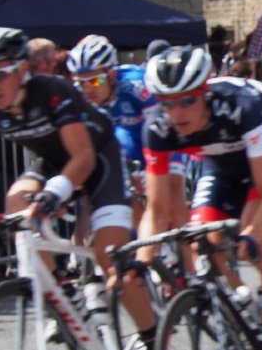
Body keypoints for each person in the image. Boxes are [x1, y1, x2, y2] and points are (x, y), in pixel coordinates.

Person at [0, 27, 154, 349]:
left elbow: (83, 158)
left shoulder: (53, 91)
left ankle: (153, 344)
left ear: (22, 70)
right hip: (52, 162)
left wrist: (55, 194)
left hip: (98, 158)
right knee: (16, 203)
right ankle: (64, 293)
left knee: (108, 257)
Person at [141, 46, 262, 350]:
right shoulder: (158, 128)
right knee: (201, 244)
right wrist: (142, 259)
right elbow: (157, 207)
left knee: (257, 246)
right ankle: (249, 308)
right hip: (220, 167)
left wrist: (252, 235)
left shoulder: (240, 107)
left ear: (204, 93)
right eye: (166, 103)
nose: (176, 113)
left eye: (186, 101)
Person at [66, 34, 189, 230]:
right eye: (81, 83)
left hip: (159, 136)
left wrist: (149, 171)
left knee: (173, 196)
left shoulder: (137, 86)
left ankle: (190, 256)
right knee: (109, 190)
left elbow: (161, 130)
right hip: (125, 141)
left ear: (112, 75)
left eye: (95, 80)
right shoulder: (79, 98)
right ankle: (150, 244)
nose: (88, 89)